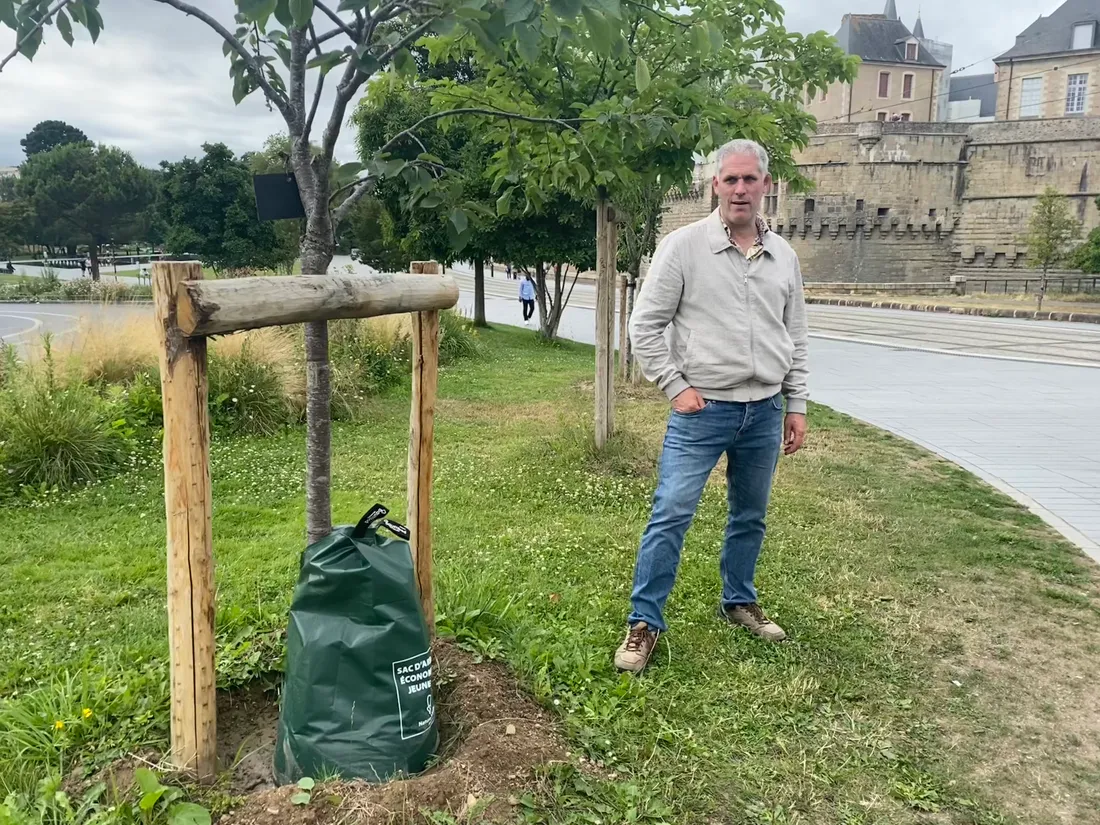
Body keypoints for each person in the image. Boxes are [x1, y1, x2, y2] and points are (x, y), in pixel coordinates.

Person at [615, 138, 809, 674]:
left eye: (751, 180)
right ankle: (643, 623)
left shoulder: (784, 256)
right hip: (702, 412)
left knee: (750, 515)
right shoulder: (683, 248)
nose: (741, 189)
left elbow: (794, 333)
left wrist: (797, 403)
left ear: (767, 185)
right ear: (714, 185)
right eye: (731, 180)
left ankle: (739, 601)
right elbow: (644, 327)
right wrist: (675, 386)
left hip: (765, 410)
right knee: (671, 513)